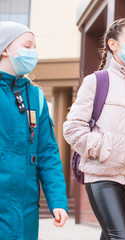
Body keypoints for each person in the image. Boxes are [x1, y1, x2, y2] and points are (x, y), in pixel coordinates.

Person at [63, 18, 125, 240]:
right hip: (102, 175)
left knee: (110, 235)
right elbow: (73, 127)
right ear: (113, 45)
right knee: (122, 237)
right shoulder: (97, 81)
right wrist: (102, 149)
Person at [0, 21, 68, 240]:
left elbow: (48, 153)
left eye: (35, 48)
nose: (33, 53)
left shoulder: (36, 97)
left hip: (25, 208)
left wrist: (57, 201)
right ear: (5, 49)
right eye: (27, 46)